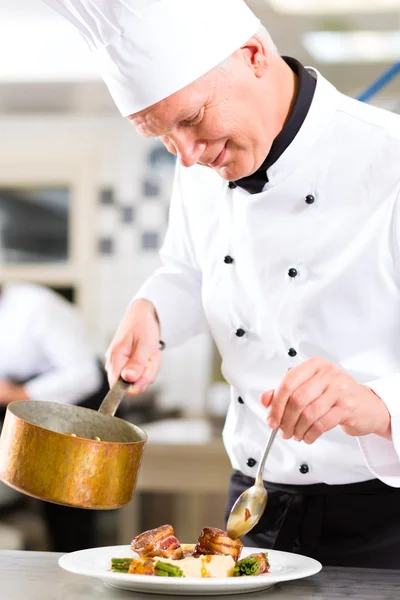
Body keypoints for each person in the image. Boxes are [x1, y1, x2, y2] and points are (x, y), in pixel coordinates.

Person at [43, 0, 400, 568]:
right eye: (162, 137)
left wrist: (381, 406)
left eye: (189, 119)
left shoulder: (390, 160)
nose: (186, 158)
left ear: (254, 56)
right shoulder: (206, 164)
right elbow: (189, 268)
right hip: (255, 511)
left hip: (385, 522)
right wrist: (153, 311)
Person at [0, 281, 109, 551]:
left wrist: (18, 392)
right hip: (27, 410)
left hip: (77, 407)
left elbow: (85, 374)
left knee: (68, 507)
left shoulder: (36, 306)